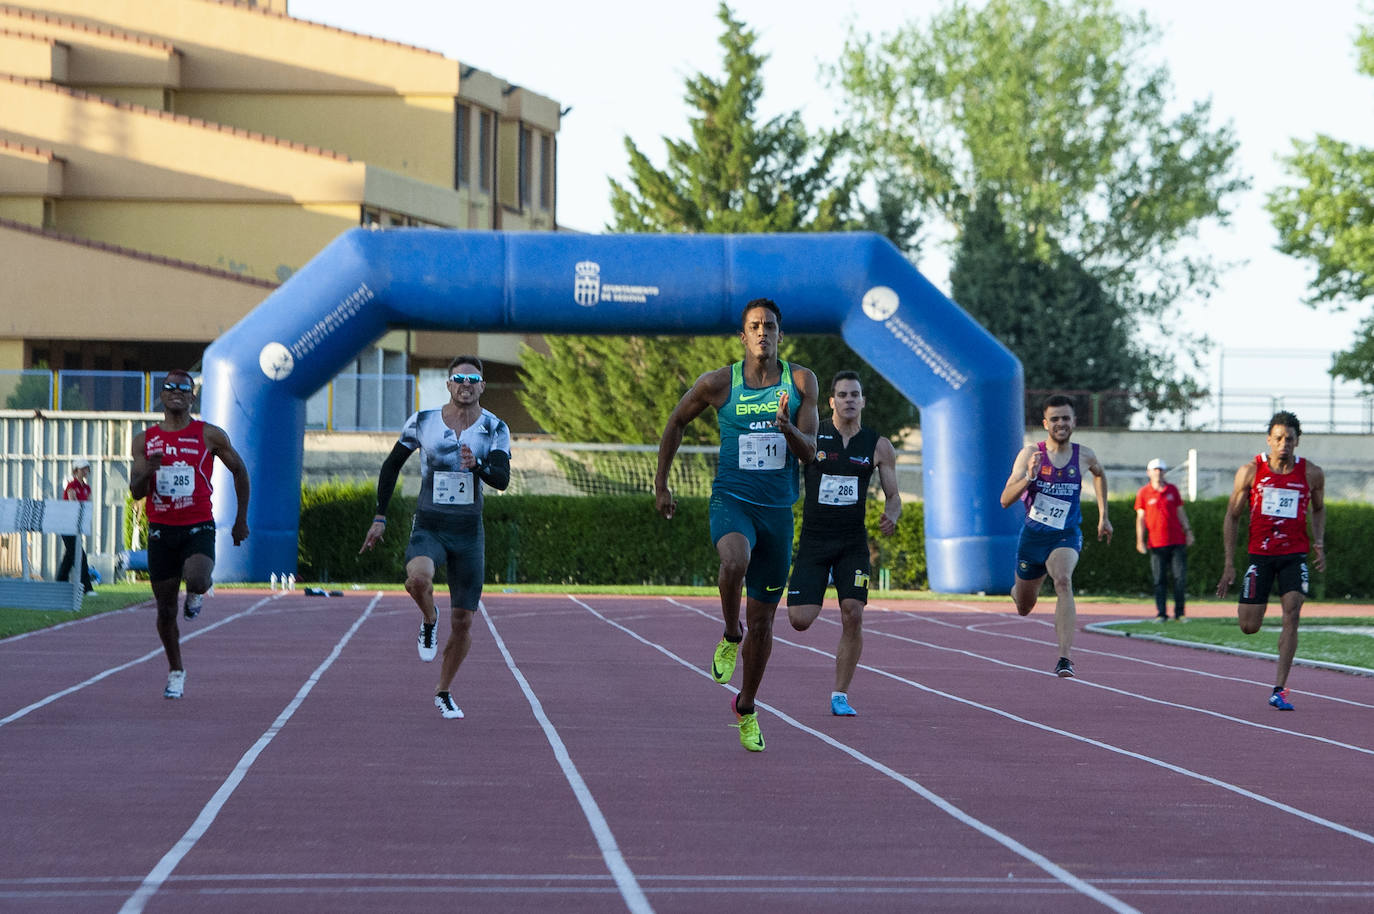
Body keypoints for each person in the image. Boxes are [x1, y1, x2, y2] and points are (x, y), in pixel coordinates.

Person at [655, 299, 818, 751]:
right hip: (732, 501)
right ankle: (730, 632)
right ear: (743, 337)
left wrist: (786, 427)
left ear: (780, 335)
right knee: (733, 560)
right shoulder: (718, 383)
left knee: (765, 624)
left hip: (778, 513)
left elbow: (810, 454)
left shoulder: (801, 381)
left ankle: (746, 705)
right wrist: (661, 484)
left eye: (769, 326)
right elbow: (676, 421)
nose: (762, 332)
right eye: (754, 326)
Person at [360, 355, 511, 720]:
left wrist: (479, 466)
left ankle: (443, 691)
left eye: (473, 379)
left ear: (482, 386)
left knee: (464, 622)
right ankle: (429, 619)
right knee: (417, 580)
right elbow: (391, 465)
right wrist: (379, 516)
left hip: (468, 532)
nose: (465, 384)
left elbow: (502, 479)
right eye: (458, 378)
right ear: (448, 384)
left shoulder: (494, 428)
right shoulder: (423, 421)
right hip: (430, 524)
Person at [129, 370, 250, 700]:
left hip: (197, 524)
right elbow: (135, 492)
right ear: (163, 395)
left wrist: (241, 520)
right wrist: (148, 472)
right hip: (161, 530)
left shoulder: (209, 435)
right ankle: (176, 670)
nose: (177, 392)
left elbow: (239, 470)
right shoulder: (144, 440)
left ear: (193, 397)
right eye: (170, 388)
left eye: (184, 388)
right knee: (166, 611)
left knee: (196, 578)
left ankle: (197, 593)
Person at [786, 370, 900, 716]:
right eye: (843, 395)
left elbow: (893, 496)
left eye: (855, 395)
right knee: (800, 620)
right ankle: (818, 585)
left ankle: (840, 694)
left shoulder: (878, 445)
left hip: (852, 544)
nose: (850, 400)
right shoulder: (814, 435)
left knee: (853, 614)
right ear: (831, 401)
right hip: (814, 542)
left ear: (863, 401)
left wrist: (891, 514)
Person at [1215, 411, 1325, 711]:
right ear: (1269, 440)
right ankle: (1263, 619)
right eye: (1278, 438)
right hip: (1260, 556)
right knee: (1249, 626)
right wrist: (1229, 563)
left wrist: (1319, 542)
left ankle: (1279, 689)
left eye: (1289, 439)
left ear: (1297, 441)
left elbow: (1318, 509)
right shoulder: (1250, 471)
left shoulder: (1312, 473)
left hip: (1293, 555)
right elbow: (1232, 516)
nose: (1283, 444)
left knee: (1293, 612)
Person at [1000, 394, 1112, 678]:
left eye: (1066, 418)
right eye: (1055, 419)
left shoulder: (1084, 455)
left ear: (1074, 422)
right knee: (1025, 606)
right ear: (1045, 423)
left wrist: (1104, 516)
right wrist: (1029, 477)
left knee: (1063, 580)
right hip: (1033, 537)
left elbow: (1099, 475)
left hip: (1065, 536)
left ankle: (1065, 658)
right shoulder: (1029, 455)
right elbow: (1004, 499)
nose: (1061, 424)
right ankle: (1017, 592)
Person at [1135, 457, 1194, 621]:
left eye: (1161, 470)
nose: (1158, 473)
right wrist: (1140, 540)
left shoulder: (1172, 490)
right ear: (1149, 472)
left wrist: (1188, 531)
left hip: (1177, 541)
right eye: (1155, 469)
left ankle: (1180, 614)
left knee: (1179, 579)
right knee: (1159, 580)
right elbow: (1140, 518)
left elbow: (1181, 512)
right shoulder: (1144, 493)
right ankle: (1161, 613)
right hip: (1156, 543)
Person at [57, 459, 94, 594]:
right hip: (67, 525)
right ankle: (86, 587)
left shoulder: (87, 488)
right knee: (80, 556)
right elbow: (73, 504)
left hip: (77, 526)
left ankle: (60, 582)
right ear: (75, 471)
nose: (85, 471)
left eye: (86, 469)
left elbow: (88, 505)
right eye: (82, 469)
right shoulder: (71, 486)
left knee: (69, 557)